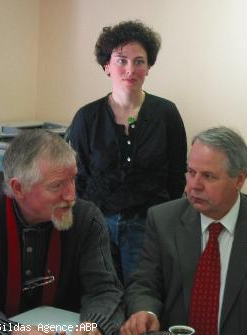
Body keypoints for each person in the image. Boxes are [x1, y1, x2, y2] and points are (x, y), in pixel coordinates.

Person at [120, 126, 247, 335]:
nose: (194, 185)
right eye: (191, 173)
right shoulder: (163, 220)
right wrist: (146, 311)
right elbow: (145, 283)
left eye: (208, 176)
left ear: (239, 179)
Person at [0, 130, 124, 335]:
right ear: (18, 188)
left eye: (73, 179)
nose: (72, 195)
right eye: (57, 185)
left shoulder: (87, 219)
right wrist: (10, 331)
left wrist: (95, 325)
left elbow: (106, 291)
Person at [68, 20, 187, 284]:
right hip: (98, 227)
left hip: (150, 228)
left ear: (149, 67)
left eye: (139, 61)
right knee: (101, 297)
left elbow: (178, 175)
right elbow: (77, 178)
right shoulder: (86, 118)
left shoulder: (166, 113)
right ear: (107, 66)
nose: (130, 69)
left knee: (141, 301)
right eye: (121, 60)